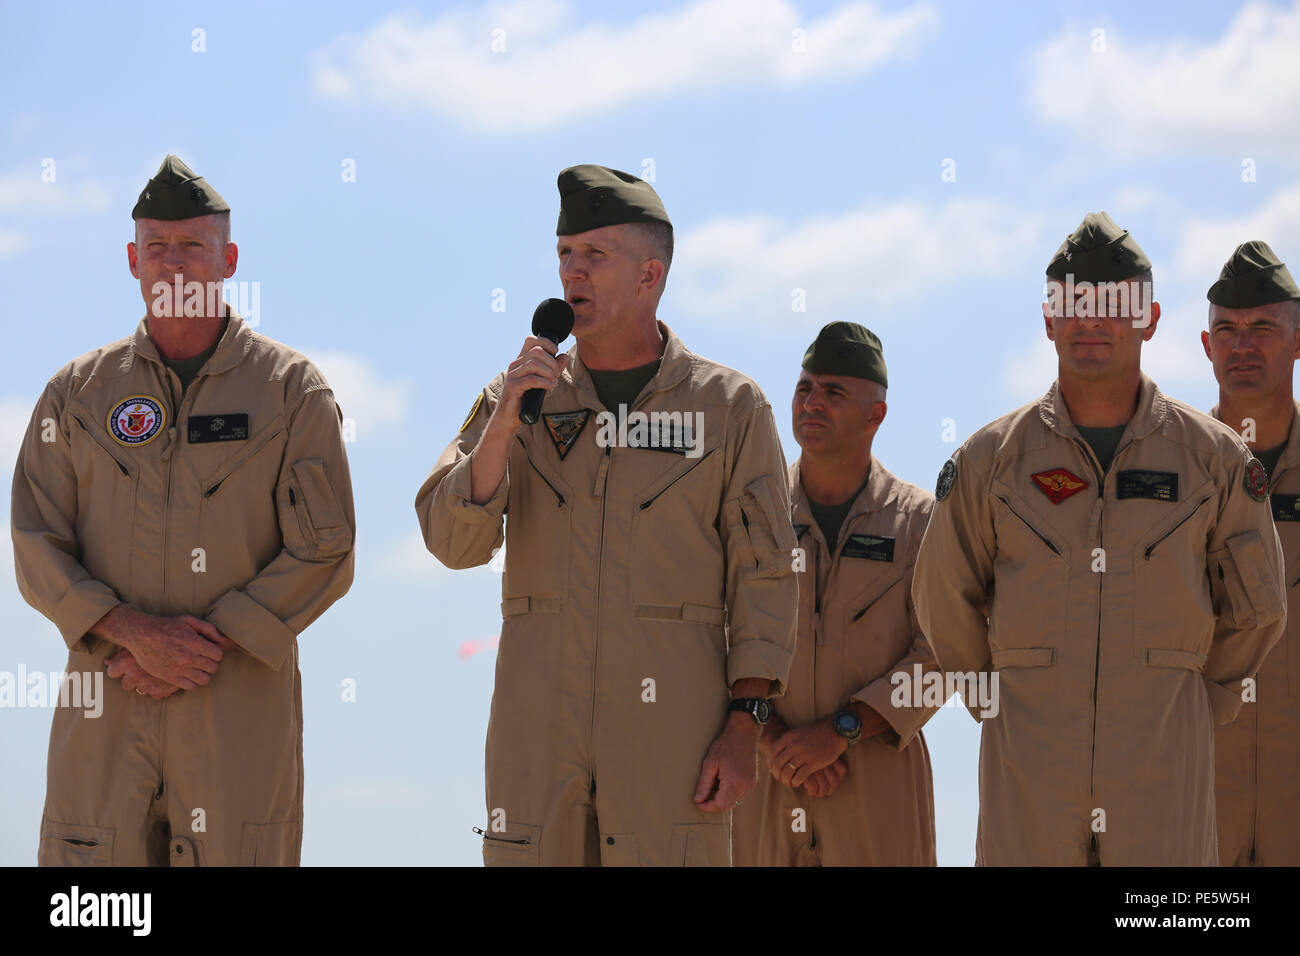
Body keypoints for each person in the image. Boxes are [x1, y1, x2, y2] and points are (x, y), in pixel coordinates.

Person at [415, 164, 798, 865]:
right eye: (565, 254)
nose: (573, 273)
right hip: (538, 737)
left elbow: (765, 578)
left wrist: (746, 726)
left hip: (672, 736)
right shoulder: (519, 395)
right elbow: (451, 543)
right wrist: (503, 428)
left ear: (649, 275)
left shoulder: (729, 408)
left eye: (595, 256)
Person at [11, 155, 356, 866]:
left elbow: (326, 550)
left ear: (228, 260)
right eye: (157, 249)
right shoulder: (75, 395)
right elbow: (34, 539)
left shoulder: (291, 393)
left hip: (236, 706)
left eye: (193, 247)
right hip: (105, 702)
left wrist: (198, 646)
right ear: (132, 261)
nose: (174, 266)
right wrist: (129, 632)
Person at [913, 212, 1286, 865]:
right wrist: (997, 698)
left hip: (1163, 778)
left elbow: (1258, 609)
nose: (1092, 319)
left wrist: (1197, 699)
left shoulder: (1216, 462)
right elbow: (944, 593)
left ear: (1150, 318)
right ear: (1049, 318)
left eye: (1114, 303)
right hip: (1030, 775)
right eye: (1074, 302)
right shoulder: (990, 460)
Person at [733, 322, 939, 866]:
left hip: (877, 779)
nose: (812, 403)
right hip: (763, 776)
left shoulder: (920, 523)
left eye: (833, 392)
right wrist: (775, 740)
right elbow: (712, 633)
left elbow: (945, 656)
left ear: (877, 415)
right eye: (805, 388)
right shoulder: (753, 514)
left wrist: (842, 730)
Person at [1202, 240, 1300, 866]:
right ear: (1206, 346)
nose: (1242, 346)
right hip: (1197, 788)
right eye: (1227, 331)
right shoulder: (1171, 477)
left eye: (1263, 328)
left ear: (1298, 339)